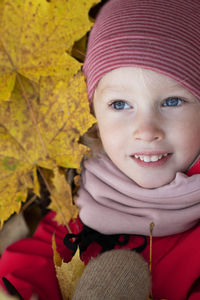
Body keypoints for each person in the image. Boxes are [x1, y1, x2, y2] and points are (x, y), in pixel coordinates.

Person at [0, 0, 200, 299]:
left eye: (172, 101)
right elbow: (32, 262)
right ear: (94, 114)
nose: (145, 131)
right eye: (120, 104)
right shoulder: (87, 196)